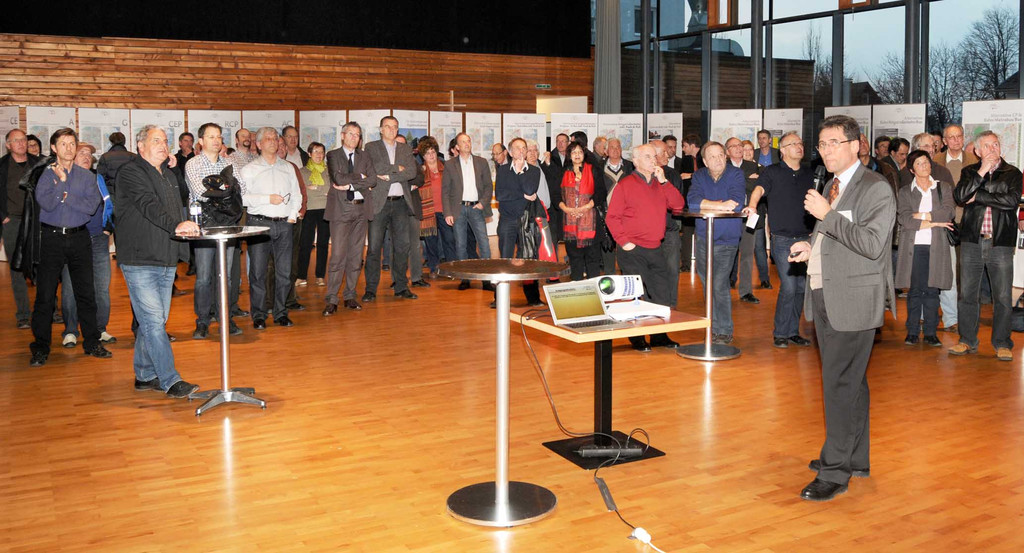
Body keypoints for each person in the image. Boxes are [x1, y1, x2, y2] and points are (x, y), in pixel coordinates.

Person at [788, 115, 897, 502]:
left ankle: (835, 471)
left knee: (838, 384)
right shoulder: (832, 185)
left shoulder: (876, 188)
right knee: (852, 382)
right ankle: (856, 457)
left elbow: (871, 244)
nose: (826, 150)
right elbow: (833, 234)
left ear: (856, 145)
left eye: (834, 142)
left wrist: (826, 215)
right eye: (822, 144)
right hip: (826, 292)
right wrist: (810, 246)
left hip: (853, 299)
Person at [114, 124, 200, 397]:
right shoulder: (130, 172)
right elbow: (149, 205)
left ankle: (144, 374)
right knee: (152, 320)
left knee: (155, 320)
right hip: (139, 257)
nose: (163, 145)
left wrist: (174, 170)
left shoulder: (169, 174)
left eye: (165, 141)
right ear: (141, 146)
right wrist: (177, 225)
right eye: (156, 141)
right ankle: (170, 380)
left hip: (165, 256)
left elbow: (181, 201)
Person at [26, 128, 109, 367]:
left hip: (80, 238)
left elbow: (91, 207)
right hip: (51, 238)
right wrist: (62, 184)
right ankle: (41, 347)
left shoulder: (87, 176)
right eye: (63, 144)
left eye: (72, 143)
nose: (69, 148)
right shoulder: (45, 174)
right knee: (45, 296)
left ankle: (92, 342)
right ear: (54, 148)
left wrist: (65, 194)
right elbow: (47, 204)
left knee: (86, 293)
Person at [950, 131, 1023, 361]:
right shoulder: (969, 172)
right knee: (967, 294)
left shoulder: (1012, 172)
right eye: (988, 146)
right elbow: (961, 196)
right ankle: (967, 340)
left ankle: (1002, 343)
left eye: (996, 144)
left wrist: (979, 196)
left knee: (1002, 296)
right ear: (977, 151)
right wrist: (981, 172)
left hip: (1000, 242)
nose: (993, 149)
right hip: (972, 240)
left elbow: (1011, 201)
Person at [605, 143, 685, 352]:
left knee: (661, 294)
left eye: (654, 157)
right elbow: (612, 217)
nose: (654, 160)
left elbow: (678, 205)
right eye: (648, 157)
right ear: (636, 161)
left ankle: (658, 336)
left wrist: (664, 181)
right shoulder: (625, 184)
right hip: (633, 249)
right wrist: (624, 242)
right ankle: (637, 336)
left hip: (655, 247)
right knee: (636, 296)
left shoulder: (660, 183)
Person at [743, 132, 815, 348]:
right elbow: (758, 189)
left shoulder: (809, 173)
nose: (799, 147)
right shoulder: (772, 171)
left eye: (801, 143)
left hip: (807, 238)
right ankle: (780, 332)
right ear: (782, 150)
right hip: (782, 239)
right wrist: (753, 206)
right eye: (794, 144)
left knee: (801, 287)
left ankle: (793, 331)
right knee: (790, 286)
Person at [183, 122, 243, 339]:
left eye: (218, 136)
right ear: (201, 141)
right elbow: (200, 192)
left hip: (228, 225)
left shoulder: (230, 163)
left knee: (226, 277)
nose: (216, 140)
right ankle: (202, 321)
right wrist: (226, 190)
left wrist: (219, 189)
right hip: (204, 226)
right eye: (211, 137)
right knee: (203, 277)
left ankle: (225, 317)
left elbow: (241, 189)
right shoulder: (193, 163)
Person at [239, 127, 302, 329]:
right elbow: (242, 198)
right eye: (268, 138)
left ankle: (280, 312)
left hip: (284, 224)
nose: (273, 141)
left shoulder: (288, 168)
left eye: (275, 138)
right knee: (258, 272)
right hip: (259, 224)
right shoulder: (249, 169)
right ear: (258, 144)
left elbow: (297, 194)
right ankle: (259, 315)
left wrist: (292, 216)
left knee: (284, 272)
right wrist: (267, 199)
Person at [59, 142, 117, 347]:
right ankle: (71, 330)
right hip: (74, 239)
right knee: (70, 288)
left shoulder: (97, 178)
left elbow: (109, 204)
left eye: (89, 154)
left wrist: (108, 227)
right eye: (81, 153)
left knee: (101, 287)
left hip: (99, 240)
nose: (86, 156)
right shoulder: (64, 178)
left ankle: (100, 329)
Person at [896, 149, 955, 347]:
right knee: (914, 291)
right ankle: (912, 331)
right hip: (914, 247)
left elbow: (948, 212)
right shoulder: (905, 191)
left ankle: (931, 332)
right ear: (912, 169)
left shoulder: (943, 187)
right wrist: (935, 222)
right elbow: (905, 219)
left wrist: (921, 216)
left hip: (936, 246)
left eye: (927, 162)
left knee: (932, 290)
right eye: (919, 163)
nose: (925, 166)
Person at [687, 141, 744, 344]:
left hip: (727, 239)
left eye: (721, 155)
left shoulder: (736, 174)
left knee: (719, 283)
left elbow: (736, 203)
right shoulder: (699, 176)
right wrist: (719, 205)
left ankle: (724, 330)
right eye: (712, 156)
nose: (718, 159)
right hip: (704, 237)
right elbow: (692, 202)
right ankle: (712, 326)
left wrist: (707, 205)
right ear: (704, 161)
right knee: (707, 284)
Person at [362, 116, 420, 302]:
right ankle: (371, 289)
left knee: (402, 247)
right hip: (380, 203)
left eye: (395, 127)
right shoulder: (371, 147)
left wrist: (390, 175)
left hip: (401, 204)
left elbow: (411, 172)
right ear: (380, 129)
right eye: (387, 127)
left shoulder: (405, 148)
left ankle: (401, 287)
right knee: (374, 248)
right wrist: (397, 168)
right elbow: (376, 168)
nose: (391, 130)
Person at [322, 122, 374, 315]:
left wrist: (351, 185)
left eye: (357, 134)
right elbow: (338, 179)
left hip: (361, 210)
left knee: (355, 256)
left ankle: (350, 295)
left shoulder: (365, 156)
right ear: (342, 135)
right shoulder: (333, 155)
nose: (354, 137)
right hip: (340, 210)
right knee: (337, 256)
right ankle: (332, 299)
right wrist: (360, 176)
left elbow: (373, 179)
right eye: (350, 133)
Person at [442, 132, 494, 291]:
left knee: (484, 243)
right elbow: (445, 190)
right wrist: (447, 213)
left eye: (469, 141)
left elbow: (488, 186)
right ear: (457, 147)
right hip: (458, 209)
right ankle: (465, 278)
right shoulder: (450, 165)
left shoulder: (481, 162)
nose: (467, 144)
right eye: (463, 142)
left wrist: (482, 203)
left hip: (476, 208)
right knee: (460, 244)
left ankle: (486, 279)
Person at [495, 137, 542, 306]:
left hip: (526, 221)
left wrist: (521, 172)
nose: (521, 151)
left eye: (524, 148)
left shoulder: (534, 171)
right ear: (510, 152)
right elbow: (500, 195)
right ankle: (500, 299)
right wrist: (522, 195)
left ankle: (533, 298)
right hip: (507, 220)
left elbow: (530, 189)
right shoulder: (503, 170)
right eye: (517, 148)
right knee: (505, 260)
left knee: (528, 259)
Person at [1, 129, 40, 329]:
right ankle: (23, 314)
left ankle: (48, 311)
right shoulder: (2, 166)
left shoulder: (38, 163)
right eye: (16, 140)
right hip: (12, 222)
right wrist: (3, 216)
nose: (21, 143)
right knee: (16, 270)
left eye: (23, 139)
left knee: (42, 267)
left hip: (37, 221)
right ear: (8, 145)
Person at [725, 137, 767, 303]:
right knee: (727, 253)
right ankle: (723, 287)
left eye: (740, 145)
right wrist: (748, 180)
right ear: (727, 151)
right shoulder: (723, 167)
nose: (738, 148)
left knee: (748, 254)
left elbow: (759, 189)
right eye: (733, 146)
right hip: (728, 217)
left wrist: (747, 182)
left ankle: (746, 291)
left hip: (748, 216)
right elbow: (728, 189)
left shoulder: (754, 166)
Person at [559, 140, 606, 281]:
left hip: (591, 221)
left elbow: (601, 193)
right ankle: (577, 289)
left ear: (584, 154)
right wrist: (567, 209)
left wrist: (585, 207)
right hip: (570, 222)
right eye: (574, 152)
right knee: (575, 261)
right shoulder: (563, 172)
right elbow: (555, 195)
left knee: (593, 261)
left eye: (580, 152)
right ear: (569, 155)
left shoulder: (594, 170)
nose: (577, 155)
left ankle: (594, 290)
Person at [651, 139, 684, 307]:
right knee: (651, 270)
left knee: (671, 270)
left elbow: (677, 202)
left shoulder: (672, 174)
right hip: (648, 233)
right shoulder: (643, 175)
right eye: (663, 152)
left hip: (669, 230)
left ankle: (671, 306)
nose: (667, 154)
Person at [297, 142, 331, 288]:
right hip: (309, 209)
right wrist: (321, 190)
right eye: (316, 151)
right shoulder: (302, 171)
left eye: (321, 152)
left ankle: (320, 276)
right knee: (305, 244)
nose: (319, 155)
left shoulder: (329, 171)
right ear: (309, 154)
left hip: (326, 209)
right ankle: (301, 276)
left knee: (323, 244)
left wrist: (315, 187)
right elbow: (302, 190)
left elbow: (330, 189)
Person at [416, 137, 443, 279]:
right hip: (428, 212)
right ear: (423, 156)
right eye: (427, 153)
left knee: (449, 241)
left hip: (445, 211)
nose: (431, 155)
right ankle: (434, 268)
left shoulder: (446, 168)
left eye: (433, 152)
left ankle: (451, 268)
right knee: (431, 243)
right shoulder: (420, 170)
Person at [677, 133, 704, 272]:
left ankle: (702, 264)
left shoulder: (704, 157)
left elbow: (706, 174)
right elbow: (682, 177)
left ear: (692, 146)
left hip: (704, 203)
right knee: (687, 234)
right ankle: (686, 264)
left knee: (702, 235)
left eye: (685, 146)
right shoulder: (686, 160)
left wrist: (691, 175)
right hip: (688, 202)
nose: (683, 149)